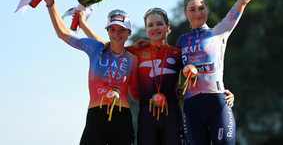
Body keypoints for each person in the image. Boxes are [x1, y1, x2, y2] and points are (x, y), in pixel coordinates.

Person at [79, 8, 235, 145]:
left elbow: (200, 71)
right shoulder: (136, 51)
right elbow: (107, 45)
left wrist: (223, 90)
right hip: (146, 115)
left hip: (172, 116)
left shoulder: (177, 52)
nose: (155, 28)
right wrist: (84, 25)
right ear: (146, 29)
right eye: (150, 25)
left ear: (168, 28)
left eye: (159, 24)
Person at [174, 0, 269, 145]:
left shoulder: (219, 32)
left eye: (201, 8)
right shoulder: (181, 41)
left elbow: (244, 0)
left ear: (207, 9)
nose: (197, 13)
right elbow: (173, 72)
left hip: (218, 104)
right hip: (191, 108)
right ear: (185, 13)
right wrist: (177, 90)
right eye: (192, 9)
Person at [44, 0, 139, 145]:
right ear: (108, 31)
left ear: (129, 32)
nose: (117, 34)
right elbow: (62, 33)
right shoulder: (95, 48)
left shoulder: (133, 59)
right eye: (112, 29)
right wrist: (50, 3)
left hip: (122, 120)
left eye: (122, 30)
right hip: (96, 119)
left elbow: (136, 95)